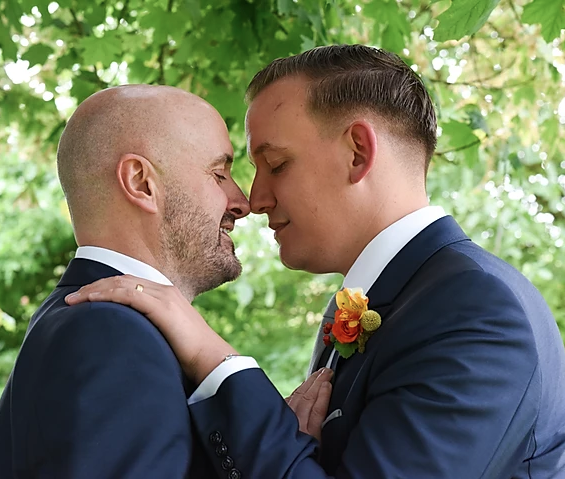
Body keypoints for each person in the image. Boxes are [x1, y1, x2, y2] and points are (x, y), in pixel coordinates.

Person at [67, 45, 565, 478]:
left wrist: (216, 362)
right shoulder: (367, 305)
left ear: (357, 153)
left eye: (276, 164)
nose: (255, 198)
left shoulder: (475, 311)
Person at [0, 84, 255, 478]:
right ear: (141, 182)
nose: (242, 202)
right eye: (219, 174)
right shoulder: (110, 333)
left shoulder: (81, 321)